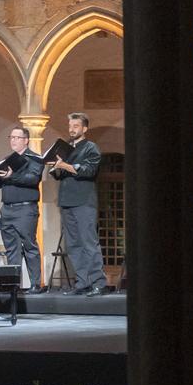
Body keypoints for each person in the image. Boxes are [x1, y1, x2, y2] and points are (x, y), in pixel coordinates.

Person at [46, 111, 108, 295]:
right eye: (70, 126)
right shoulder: (64, 148)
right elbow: (59, 175)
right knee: (73, 245)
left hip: (84, 202)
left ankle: (98, 282)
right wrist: (55, 167)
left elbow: (88, 171)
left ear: (84, 128)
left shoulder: (91, 148)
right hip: (66, 201)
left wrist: (64, 166)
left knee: (88, 242)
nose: (72, 129)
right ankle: (82, 282)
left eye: (76, 126)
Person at [0, 124, 45, 292]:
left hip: (25, 209)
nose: (13, 140)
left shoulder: (35, 158)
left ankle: (36, 284)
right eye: (11, 137)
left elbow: (32, 179)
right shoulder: (7, 159)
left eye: (17, 137)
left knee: (29, 245)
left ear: (26, 140)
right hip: (7, 209)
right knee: (11, 248)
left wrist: (11, 176)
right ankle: (13, 285)